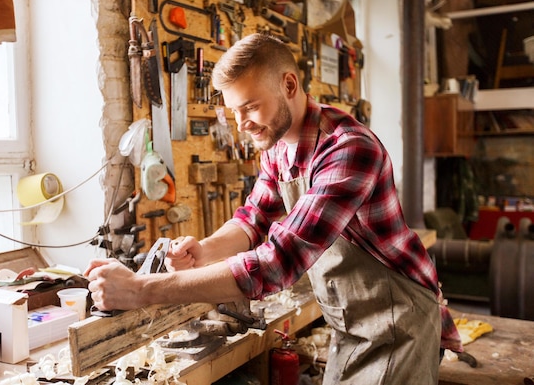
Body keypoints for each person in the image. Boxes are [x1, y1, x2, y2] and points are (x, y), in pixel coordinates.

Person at [85, 33, 463, 384]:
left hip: (398, 320)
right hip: (352, 323)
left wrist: (140, 290)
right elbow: (253, 219)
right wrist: (206, 249)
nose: (242, 124)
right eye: (234, 111)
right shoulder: (280, 148)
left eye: (250, 107)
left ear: (289, 85)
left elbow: (277, 263)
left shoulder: (348, 149)